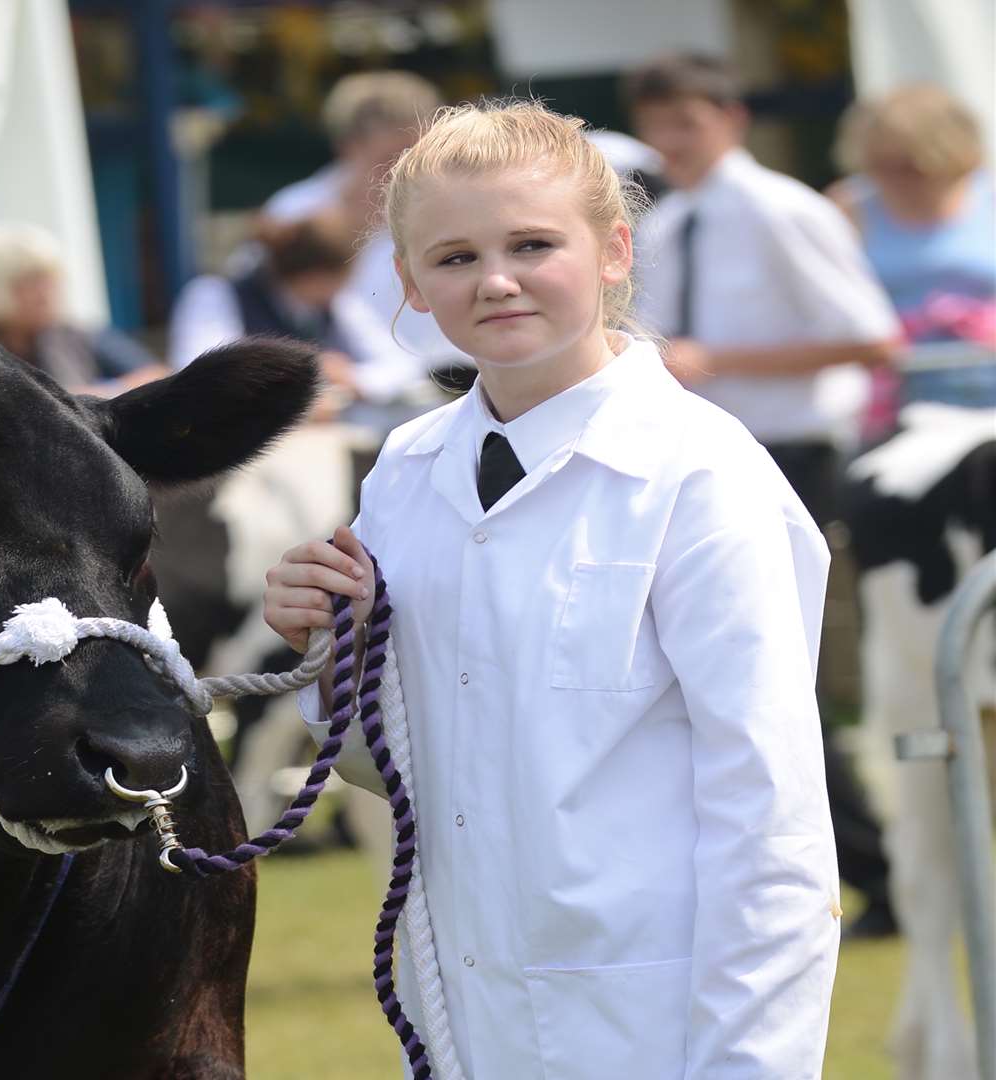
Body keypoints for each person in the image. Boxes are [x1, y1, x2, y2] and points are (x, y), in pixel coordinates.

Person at [262, 101, 839, 1076]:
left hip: (655, 1028)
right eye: (452, 258)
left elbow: (770, 818)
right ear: (407, 283)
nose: (495, 280)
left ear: (614, 250)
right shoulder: (403, 472)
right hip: (463, 1018)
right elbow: (388, 766)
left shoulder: (700, 476)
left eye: (533, 243)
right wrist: (326, 644)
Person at [627, 52, 904, 938]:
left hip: (791, 450)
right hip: (696, 454)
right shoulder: (665, 226)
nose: (676, 140)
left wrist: (724, 361)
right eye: (661, 123)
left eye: (691, 121)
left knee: (783, 674)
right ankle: (838, 870)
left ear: (731, 118)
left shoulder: (784, 209)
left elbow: (870, 338)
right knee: (717, 674)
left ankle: (875, 867)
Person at [259, 71, 470, 385]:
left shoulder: (459, 211)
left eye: (418, 153)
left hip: (457, 383)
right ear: (347, 146)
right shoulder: (293, 212)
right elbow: (261, 308)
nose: (405, 169)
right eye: (392, 156)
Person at [831, 83, 995, 419]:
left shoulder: (989, 198)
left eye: (910, 167)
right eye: (881, 166)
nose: (894, 180)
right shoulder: (848, 207)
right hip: (892, 401)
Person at [169, 210, 418, 424]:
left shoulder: (336, 305)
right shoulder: (214, 294)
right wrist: (293, 393)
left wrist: (350, 377)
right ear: (318, 276)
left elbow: (402, 366)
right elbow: (204, 378)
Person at [0, 224, 164, 395]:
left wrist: (94, 395)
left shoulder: (70, 334)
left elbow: (156, 375)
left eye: (49, 280)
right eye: (31, 282)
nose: (46, 293)